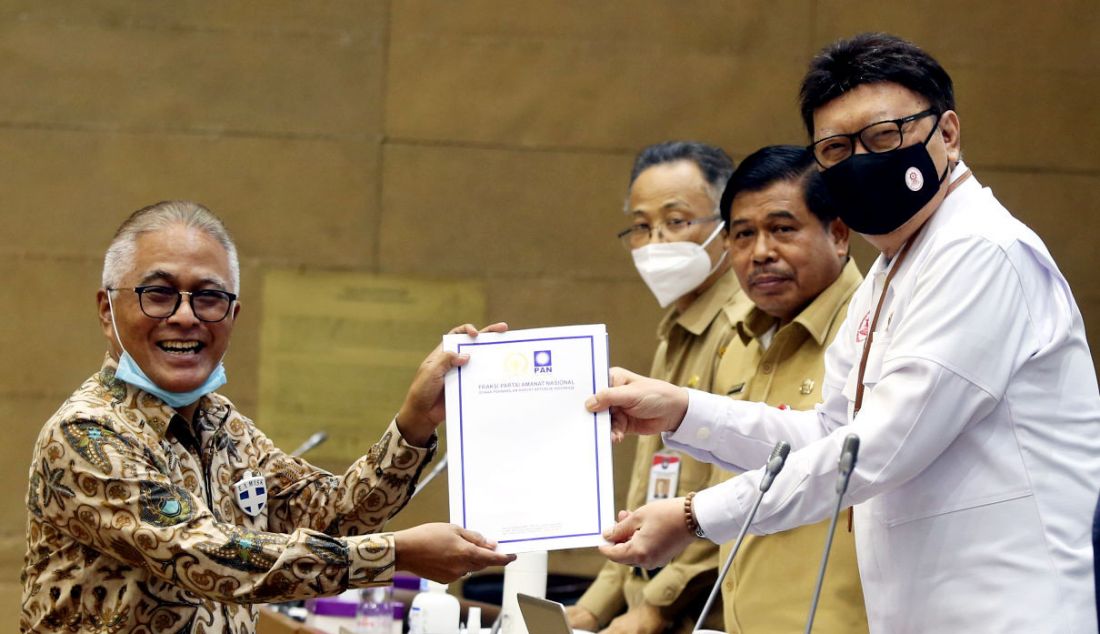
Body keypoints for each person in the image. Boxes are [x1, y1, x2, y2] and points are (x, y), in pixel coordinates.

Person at [587, 33, 1100, 633]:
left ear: (948, 133)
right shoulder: (890, 267)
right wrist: (681, 412)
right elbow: (832, 434)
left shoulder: (982, 251)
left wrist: (698, 513)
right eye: (834, 148)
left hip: (1007, 614)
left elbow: (881, 447)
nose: (860, 161)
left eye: (883, 138)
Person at [20, 201, 515, 633]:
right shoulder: (85, 434)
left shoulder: (220, 423)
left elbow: (332, 514)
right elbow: (208, 557)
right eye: (159, 293)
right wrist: (395, 555)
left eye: (209, 297)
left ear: (233, 316)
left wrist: (415, 423)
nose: (187, 316)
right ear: (107, 310)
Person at [566, 142, 750, 634]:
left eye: (676, 221)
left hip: (706, 614)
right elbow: (649, 486)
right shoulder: (676, 331)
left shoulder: (746, 328)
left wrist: (653, 609)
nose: (656, 242)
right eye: (642, 227)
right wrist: (591, 609)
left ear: (728, 224)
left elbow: (737, 497)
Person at [709, 145, 867, 632]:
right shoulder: (734, 343)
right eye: (743, 235)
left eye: (782, 229)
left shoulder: (874, 331)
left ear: (838, 234)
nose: (760, 253)